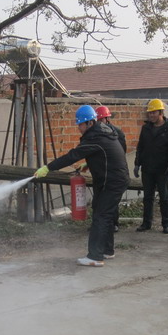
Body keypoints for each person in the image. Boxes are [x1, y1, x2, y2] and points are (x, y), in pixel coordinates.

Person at [34, 105, 129, 267]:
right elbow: (104, 152)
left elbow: (72, 156)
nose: (78, 128)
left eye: (80, 124)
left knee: (101, 216)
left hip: (111, 181)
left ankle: (95, 256)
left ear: (90, 123)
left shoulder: (95, 137)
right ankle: (107, 250)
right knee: (102, 213)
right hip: (112, 179)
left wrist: (48, 167)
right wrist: (89, 163)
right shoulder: (103, 132)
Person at [133, 99, 168, 234]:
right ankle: (147, 223)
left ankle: (166, 224)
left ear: (161, 112)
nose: (151, 115)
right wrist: (137, 164)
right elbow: (140, 147)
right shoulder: (146, 128)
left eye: (154, 112)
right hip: (147, 168)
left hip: (163, 170)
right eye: (150, 113)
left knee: (164, 197)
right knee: (148, 197)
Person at [95, 105, 128, 232]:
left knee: (111, 201)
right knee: (98, 199)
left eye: (101, 120)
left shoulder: (117, 134)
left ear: (107, 119)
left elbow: (120, 152)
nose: (99, 123)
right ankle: (97, 224)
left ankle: (114, 224)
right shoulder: (97, 134)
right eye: (97, 120)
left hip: (113, 172)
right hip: (100, 171)